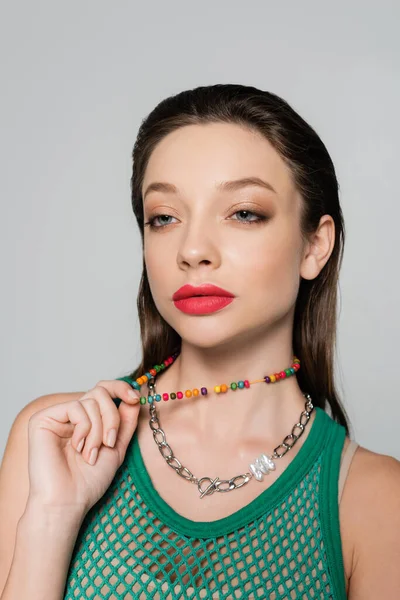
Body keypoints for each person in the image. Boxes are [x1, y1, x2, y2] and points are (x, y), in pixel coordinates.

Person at [0, 84, 399, 600]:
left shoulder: (372, 499)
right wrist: (52, 516)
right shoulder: (57, 438)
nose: (192, 249)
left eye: (244, 213)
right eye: (164, 217)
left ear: (314, 245)